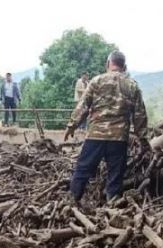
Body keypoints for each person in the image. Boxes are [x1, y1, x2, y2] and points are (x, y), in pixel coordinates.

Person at [64, 50, 151, 203]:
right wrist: (143, 139)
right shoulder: (132, 86)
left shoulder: (96, 81)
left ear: (108, 64)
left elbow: (83, 106)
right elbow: (139, 115)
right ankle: (112, 206)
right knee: (115, 175)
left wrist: (71, 125)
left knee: (83, 170)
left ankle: (71, 203)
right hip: (118, 138)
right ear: (124, 67)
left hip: (95, 136)